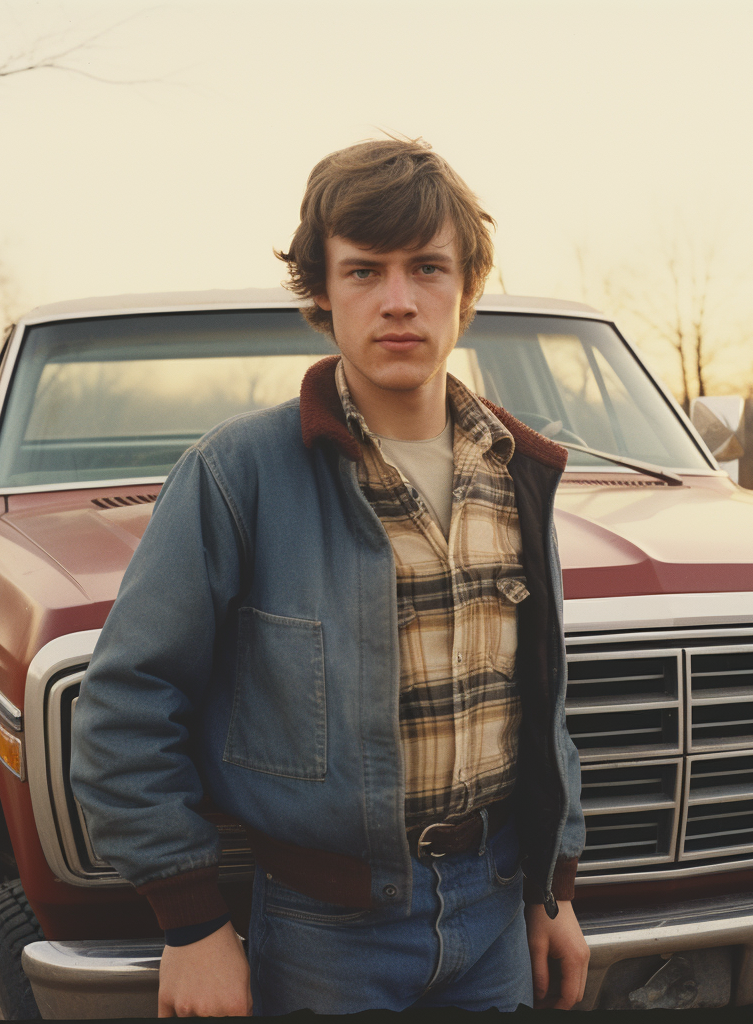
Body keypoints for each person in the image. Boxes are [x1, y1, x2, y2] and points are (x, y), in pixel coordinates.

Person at [71, 136, 588, 1017]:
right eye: (363, 272)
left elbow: (537, 705)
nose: (398, 301)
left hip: (497, 905)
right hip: (324, 930)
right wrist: (190, 925)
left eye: (428, 268)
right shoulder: (239, 474)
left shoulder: (515, 472)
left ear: (468, 287)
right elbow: (125, 704)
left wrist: (552, 888)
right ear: (321, 290)